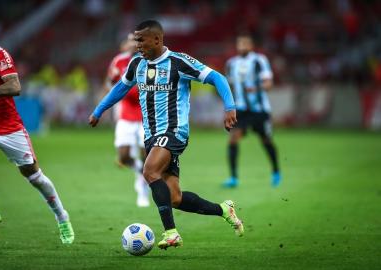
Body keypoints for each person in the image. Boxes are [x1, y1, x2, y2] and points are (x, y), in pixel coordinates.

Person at [89, 20, 244, 249]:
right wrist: (99, 110)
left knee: (149, 171)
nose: (137, 44)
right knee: (174, 198)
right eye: (135, 39)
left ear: (157, 39)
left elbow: (217, 78)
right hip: (151, 135)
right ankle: (224, 210)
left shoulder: (178, 62)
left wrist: (229, 106)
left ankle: (171, 233)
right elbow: (120, 88)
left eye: (141, 39)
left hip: (174, 131)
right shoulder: (136, 64)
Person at [0, 14, 74, 243]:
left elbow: (15, 86)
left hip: (10, 129)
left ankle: (62, 217)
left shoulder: (0, 55)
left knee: (35, 177)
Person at [222, 34, 281, 188]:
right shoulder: (231, 63)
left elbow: (268, 83)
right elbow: (230, 86)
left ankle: (276, 171)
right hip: (241, 109)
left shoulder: (259, 60)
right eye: (240, 43)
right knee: (233, 138)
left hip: (259, 110)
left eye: (245, 44)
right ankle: (233, 178)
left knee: (266, 140)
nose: (242, 46)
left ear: (251, 45)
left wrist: (256, 88)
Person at [103, 33, 149, 207]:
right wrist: (115, 94)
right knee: (123, 157)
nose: (132, 44)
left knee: (147, 154)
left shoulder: (149, 61)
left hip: (146, 114)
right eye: (129, 41)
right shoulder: (119, 61)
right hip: (126, 114)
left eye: (135, 41)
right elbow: (108, 82)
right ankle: (142, 172)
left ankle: (143, 189)